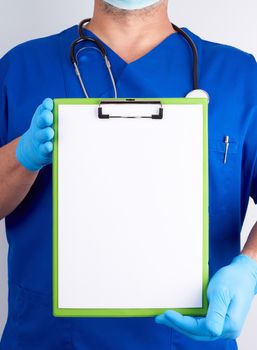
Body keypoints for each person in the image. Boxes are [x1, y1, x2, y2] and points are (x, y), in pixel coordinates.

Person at [0, 0, 257, 349]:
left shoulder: (239, 76)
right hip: (46, 338)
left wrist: (250, 268)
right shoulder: (21, 68)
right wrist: (22, 155)